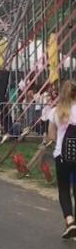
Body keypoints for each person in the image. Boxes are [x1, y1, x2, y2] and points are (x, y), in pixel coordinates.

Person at [47, 80, 76, 239]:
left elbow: (51, 135)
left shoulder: (55, 112)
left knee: (64, 189)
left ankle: (70, 221)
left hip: (62, 155)